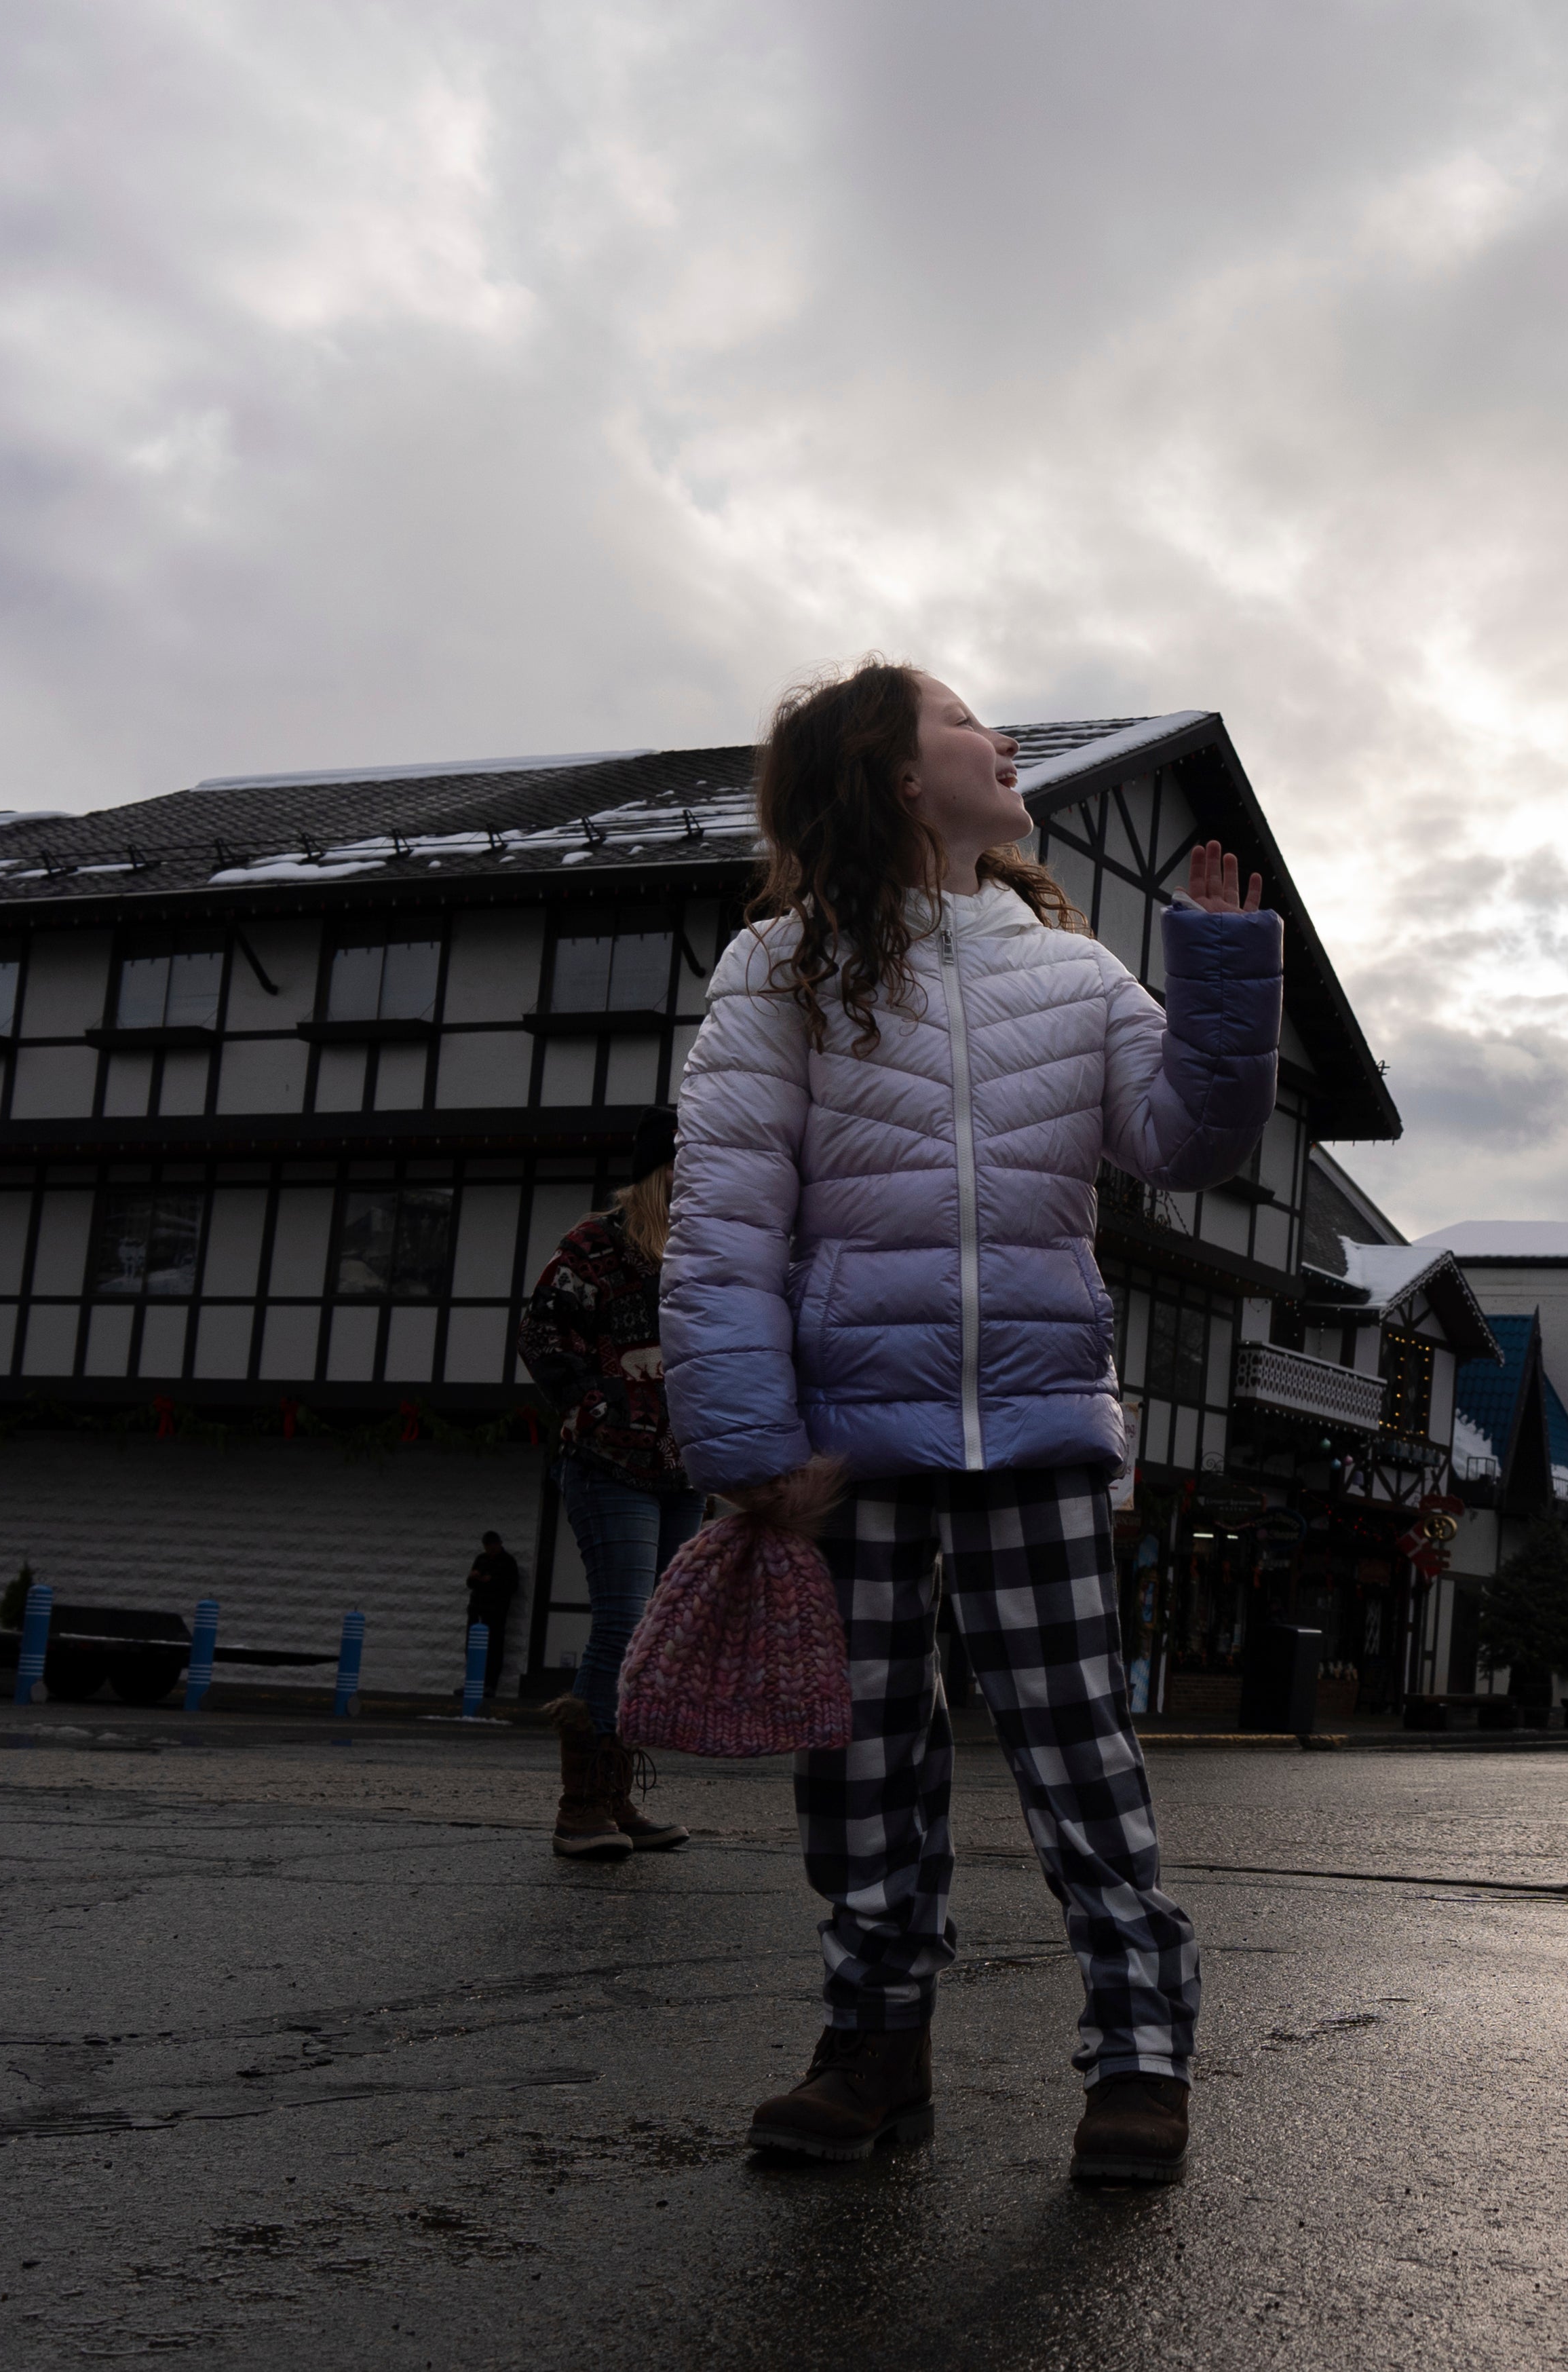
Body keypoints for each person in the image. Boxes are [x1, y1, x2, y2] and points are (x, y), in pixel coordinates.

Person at [662, 660, 1280, 2188]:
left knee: (1077, 1747)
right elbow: (726, 1220)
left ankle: (1139, 2048)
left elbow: (1185, 1140)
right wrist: (747, 1443)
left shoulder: (1071, 972)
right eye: (963, 724)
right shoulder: (776, 969)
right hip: (844, 1444)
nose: (1001, 743)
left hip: (1040, 1422)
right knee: (860, 1758)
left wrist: (1216, 966)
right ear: (886, 772)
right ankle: (872, 2043)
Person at [519, 1112, 701, 1860]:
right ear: (660, 1173)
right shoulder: (595, 1244)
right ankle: (580, 1805)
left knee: (652, 1636)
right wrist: (599, 1405)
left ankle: (618, 1794)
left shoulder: (704, 1250)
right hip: (608, 1461)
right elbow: (543, 1334)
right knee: (623, 1617)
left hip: (685, 1466)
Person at [464, 1531, 522, 1695]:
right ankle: (473, 1682)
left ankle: (490, 1685)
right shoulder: (481, 1559)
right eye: (487, 1548)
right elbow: (470, 1583)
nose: (490, 1551)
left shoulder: (507, 1562)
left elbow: (512, 1586)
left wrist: (493, 1581)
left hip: (496, 1611)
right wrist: (475, 1577)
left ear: (498, 1544)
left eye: (492, 1547)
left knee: (494, 1648)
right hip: (477, 1609)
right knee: (472, 1647)